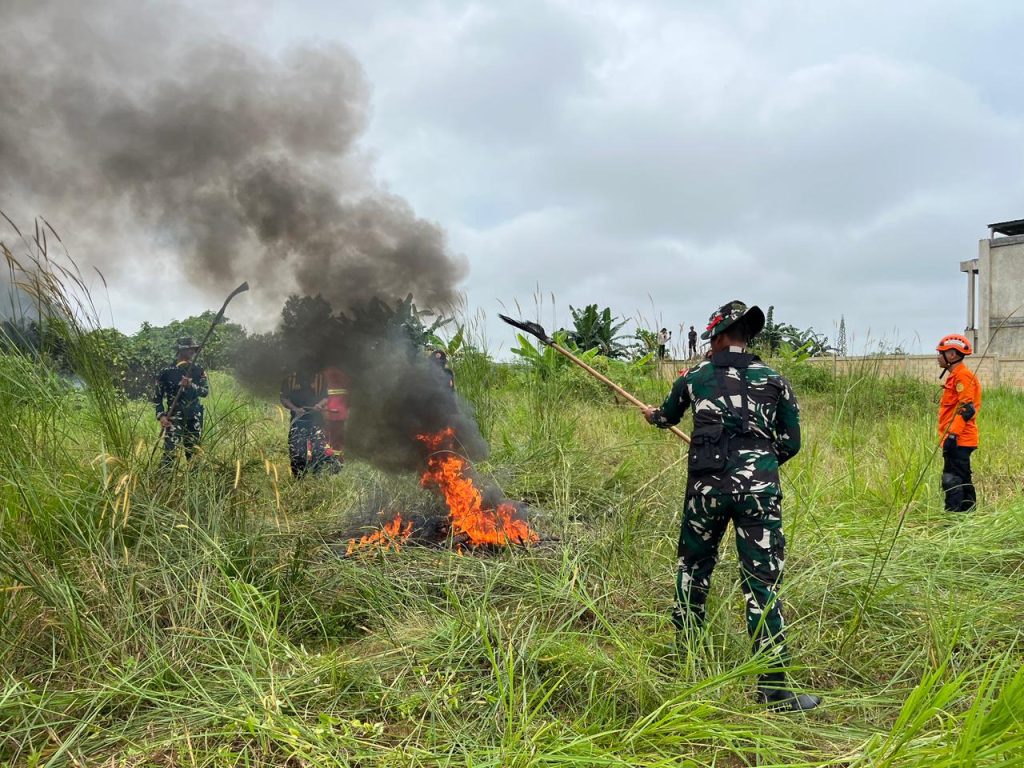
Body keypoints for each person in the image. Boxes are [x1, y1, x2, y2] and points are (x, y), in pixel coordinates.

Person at [642, 300, 819, 711]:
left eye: (711, 338)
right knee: (762, 584)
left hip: (705, 492)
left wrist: (653, 416)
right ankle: (774, 690)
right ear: (746, 337)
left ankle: (687, 666)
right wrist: (759, 463)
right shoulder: (775, 380)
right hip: (759, 495)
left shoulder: (694, 377)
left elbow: (667, 417)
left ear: (720, 337)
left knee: (693, 571)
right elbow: (791, 443)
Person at [936, 334, 981, 512]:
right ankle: (967, 517)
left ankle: (953, 521)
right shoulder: (956, 376)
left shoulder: (962, 377)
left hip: (959, 439)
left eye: (941, 353)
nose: (938, 356)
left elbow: (967, 409)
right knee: (961, 478)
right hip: (958, 438)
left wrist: (952, 435)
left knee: (952, 479)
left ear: (952, 355)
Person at [153, 336, 209, 466]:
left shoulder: (198, 370)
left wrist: (191, 386)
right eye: (189, 349)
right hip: (174, 417)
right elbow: (157, 397)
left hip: (194, 417)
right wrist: (161, 416)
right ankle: (163, 483)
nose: (192, 352)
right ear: (180, 351)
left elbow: (205, 392)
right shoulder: (166, 372)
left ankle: (194, 483)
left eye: (194, 349)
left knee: (194, 454)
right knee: (169, 455)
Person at [280, 368, 339, 477]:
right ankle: (299, 479)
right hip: (298, 421)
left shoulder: (320, 377)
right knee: (297, 453)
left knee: (319, 450)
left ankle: (318, 477)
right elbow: (284, 398)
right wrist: (295, 409)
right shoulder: (290, 378)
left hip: (316, 420)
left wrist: (319, 405)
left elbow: (326, 397)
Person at [321, 366, 350, 463]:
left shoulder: (326, 374)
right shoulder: (345, 376)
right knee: (336, 438)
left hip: (331, 414)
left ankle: (332, 459)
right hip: (338, 414)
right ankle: (336, 459)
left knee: (330, 437)